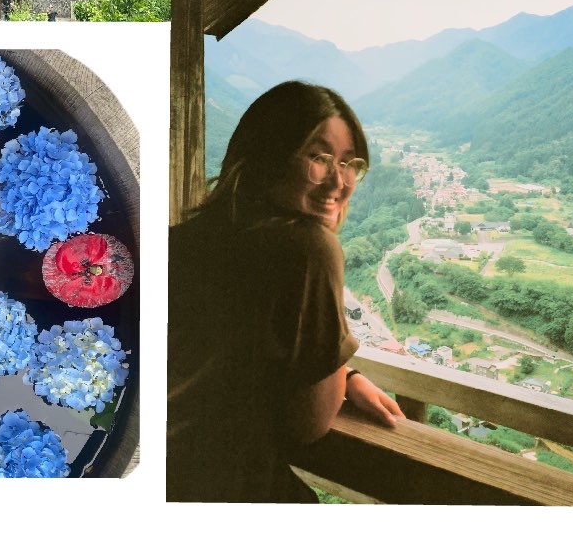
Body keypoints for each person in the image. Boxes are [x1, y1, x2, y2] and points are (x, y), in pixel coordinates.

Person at [167, 80, 404, 502]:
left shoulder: (183, 239)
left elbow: (235, 347)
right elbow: (309, 425)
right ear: (268, 156)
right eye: (319, 157)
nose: (339, 181)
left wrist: (343, 373)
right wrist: (337, 365)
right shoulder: (310, 247)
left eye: (350, 162)